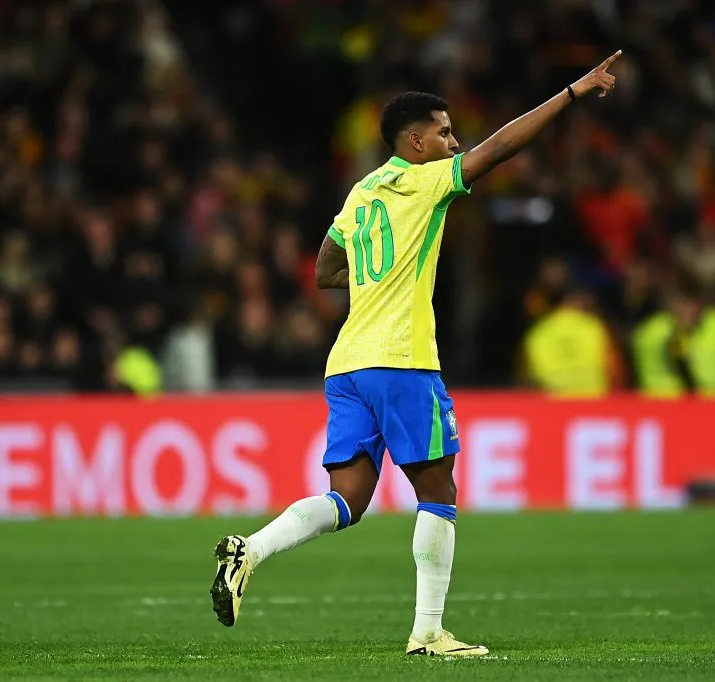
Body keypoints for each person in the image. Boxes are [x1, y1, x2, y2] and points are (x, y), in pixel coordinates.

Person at [209, 51, 622, 656]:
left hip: (347, 361)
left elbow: (326, 269)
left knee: (347, 497)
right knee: (440, 491)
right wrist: (572, 93)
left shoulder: (361, 192)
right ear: (415, 141)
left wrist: (374, 279)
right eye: (446, 132)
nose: (456, 142)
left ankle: (251, 550)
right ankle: (428, 630)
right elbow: (504, 146)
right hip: (401, 359)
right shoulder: (427, 180)